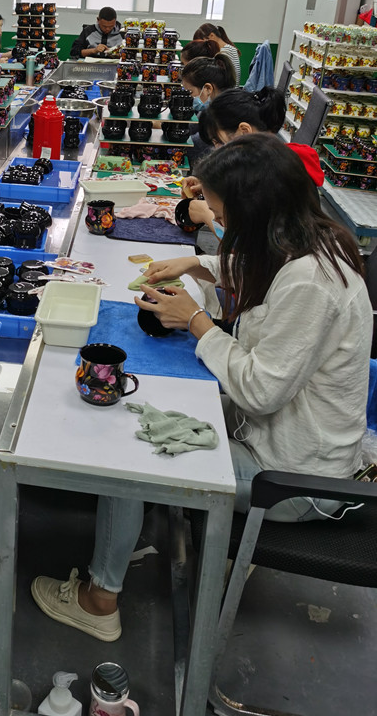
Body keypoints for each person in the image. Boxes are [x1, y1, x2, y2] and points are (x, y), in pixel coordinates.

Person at [32, 135, 371, 642]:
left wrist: (194, 320)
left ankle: (99, 601)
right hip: (276, 434)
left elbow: (259, 391)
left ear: (255, 212)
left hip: (293, 479)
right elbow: (264, 275)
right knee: (150, 406)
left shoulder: (311, 283)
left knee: (129, 453)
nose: (216, 223)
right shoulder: (309, 242)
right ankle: (124, 532)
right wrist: (196, 265)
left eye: (220, 213)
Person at [179, 87, 323, 235]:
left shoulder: (277, 177)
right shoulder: (270, 161)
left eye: (219, 142)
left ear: (244, 132)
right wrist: (212, 189)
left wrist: (206, 214)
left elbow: (244, 243)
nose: (217, 150)